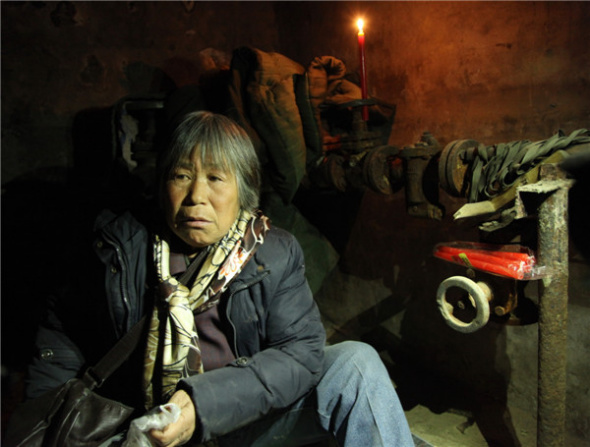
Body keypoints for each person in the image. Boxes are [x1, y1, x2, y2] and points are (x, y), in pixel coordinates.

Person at [24, 111, 414, 446]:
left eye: (215, 178)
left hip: (246, 419)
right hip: (144, 428)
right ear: (162, 186)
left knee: (356, 364)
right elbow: (61, 331)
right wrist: (49, 418)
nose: (196, 196)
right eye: (181, 176)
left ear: (243, 191)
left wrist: (203, 403)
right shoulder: (118, 249)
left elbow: (300, 352)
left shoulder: (273, 254)